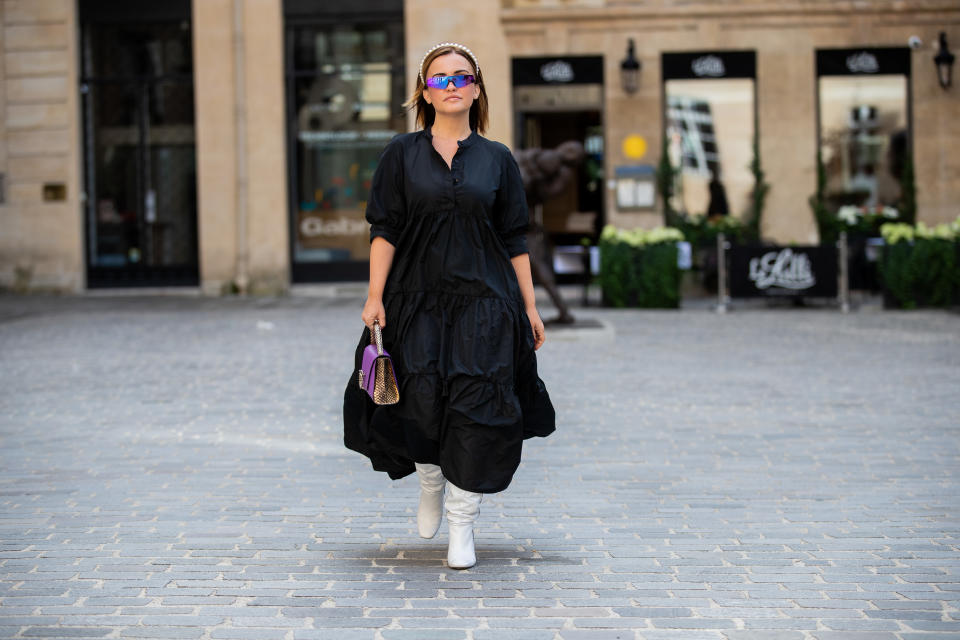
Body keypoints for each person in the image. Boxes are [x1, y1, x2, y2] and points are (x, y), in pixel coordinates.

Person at [342, 42, 556, 570]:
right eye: (440, 78)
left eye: (462, 77)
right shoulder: (401, 154)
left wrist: (529, 307)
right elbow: (385, 229)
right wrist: (374, 296)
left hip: (485, 302)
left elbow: (514, 238)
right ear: (425, 91)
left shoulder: (498, 159)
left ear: (477, 88)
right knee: (417, 399)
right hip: (414, 300)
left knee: (478, 408)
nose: (452, 86)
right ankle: (431, 476)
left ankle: (463, 522)